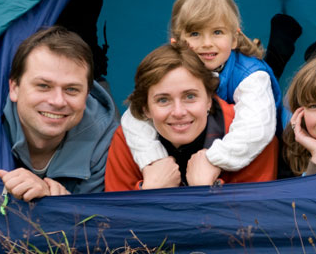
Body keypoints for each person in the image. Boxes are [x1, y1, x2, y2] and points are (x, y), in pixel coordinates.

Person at [120, 0, 284, 178]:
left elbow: (255, 129)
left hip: (265, 154)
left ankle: (283, 40)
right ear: (177, 43)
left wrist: (213, 159)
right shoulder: (170, 69)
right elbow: (135, 116)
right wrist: (154, 160)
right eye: (195, 34)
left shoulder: (251, 77)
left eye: (217, 32)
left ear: (234, 39)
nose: (206, 43)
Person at [105, 44, 278, 190]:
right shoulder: (126, 139)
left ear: (209, 99)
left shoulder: (251, 137)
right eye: (163, 100)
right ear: (146, 109)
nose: (179, 112)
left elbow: (256, 222)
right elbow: (113, 222)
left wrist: (209, 189)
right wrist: (149, 190)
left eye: (190, 96)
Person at [0, 26, 118, 201]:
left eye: (71, 89)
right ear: (14, 88)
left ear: (86, 95)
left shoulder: (107, 142)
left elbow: (98, 221)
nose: (58, 101)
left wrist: (59, 202)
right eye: (43, 86)